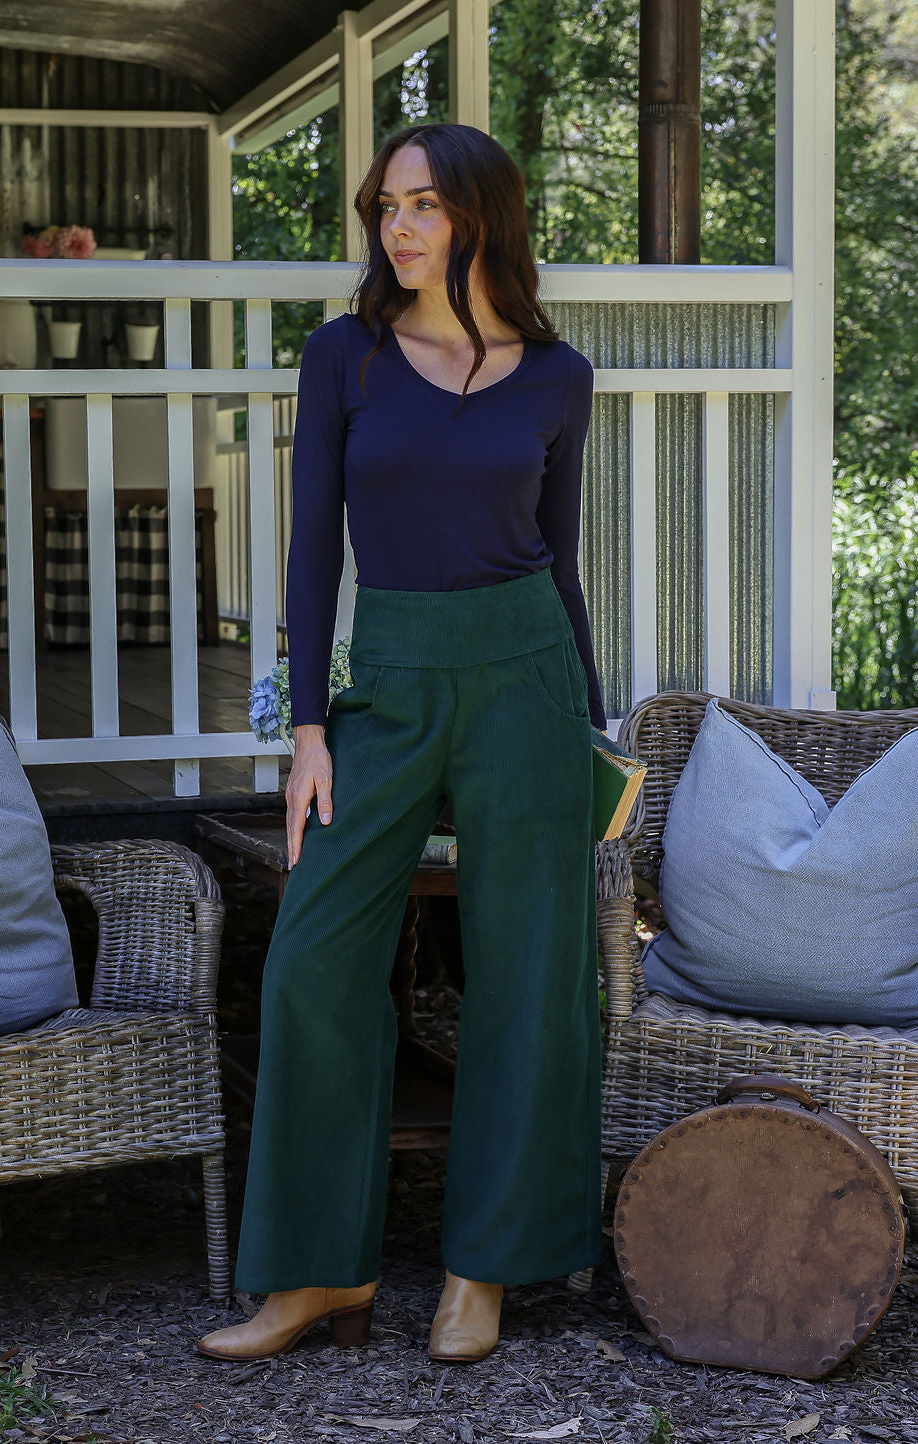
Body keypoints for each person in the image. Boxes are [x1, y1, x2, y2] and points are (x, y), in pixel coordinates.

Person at [198, 121, 606, 1366]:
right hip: (386, 681)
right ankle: (318, 1274)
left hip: (526, 679)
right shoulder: (346, 358)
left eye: (424, 204)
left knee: (529, 969)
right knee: (313, 958)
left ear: (481, 212)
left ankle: (482, 1266)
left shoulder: (556, 375)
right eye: (386, 206)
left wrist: (586, 725)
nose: (400, 226)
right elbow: (313, 543)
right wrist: (306, 725)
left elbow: (561, 556)